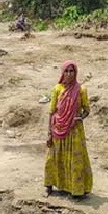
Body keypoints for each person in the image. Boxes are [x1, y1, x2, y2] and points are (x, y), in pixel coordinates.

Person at [44, 61, 93, 199]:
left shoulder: (81, 90)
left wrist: (79, 118)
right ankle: (49, 186)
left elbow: (87, 110)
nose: (69, 74)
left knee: (75, 159)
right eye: (66, 71)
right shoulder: (57, 89)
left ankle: (76, 190)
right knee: (53, 157)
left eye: (72, 71)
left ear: (75, 73)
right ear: (62, 73)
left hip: (75, 130)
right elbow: (52, 112)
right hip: (57, 128)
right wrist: (49, 133)